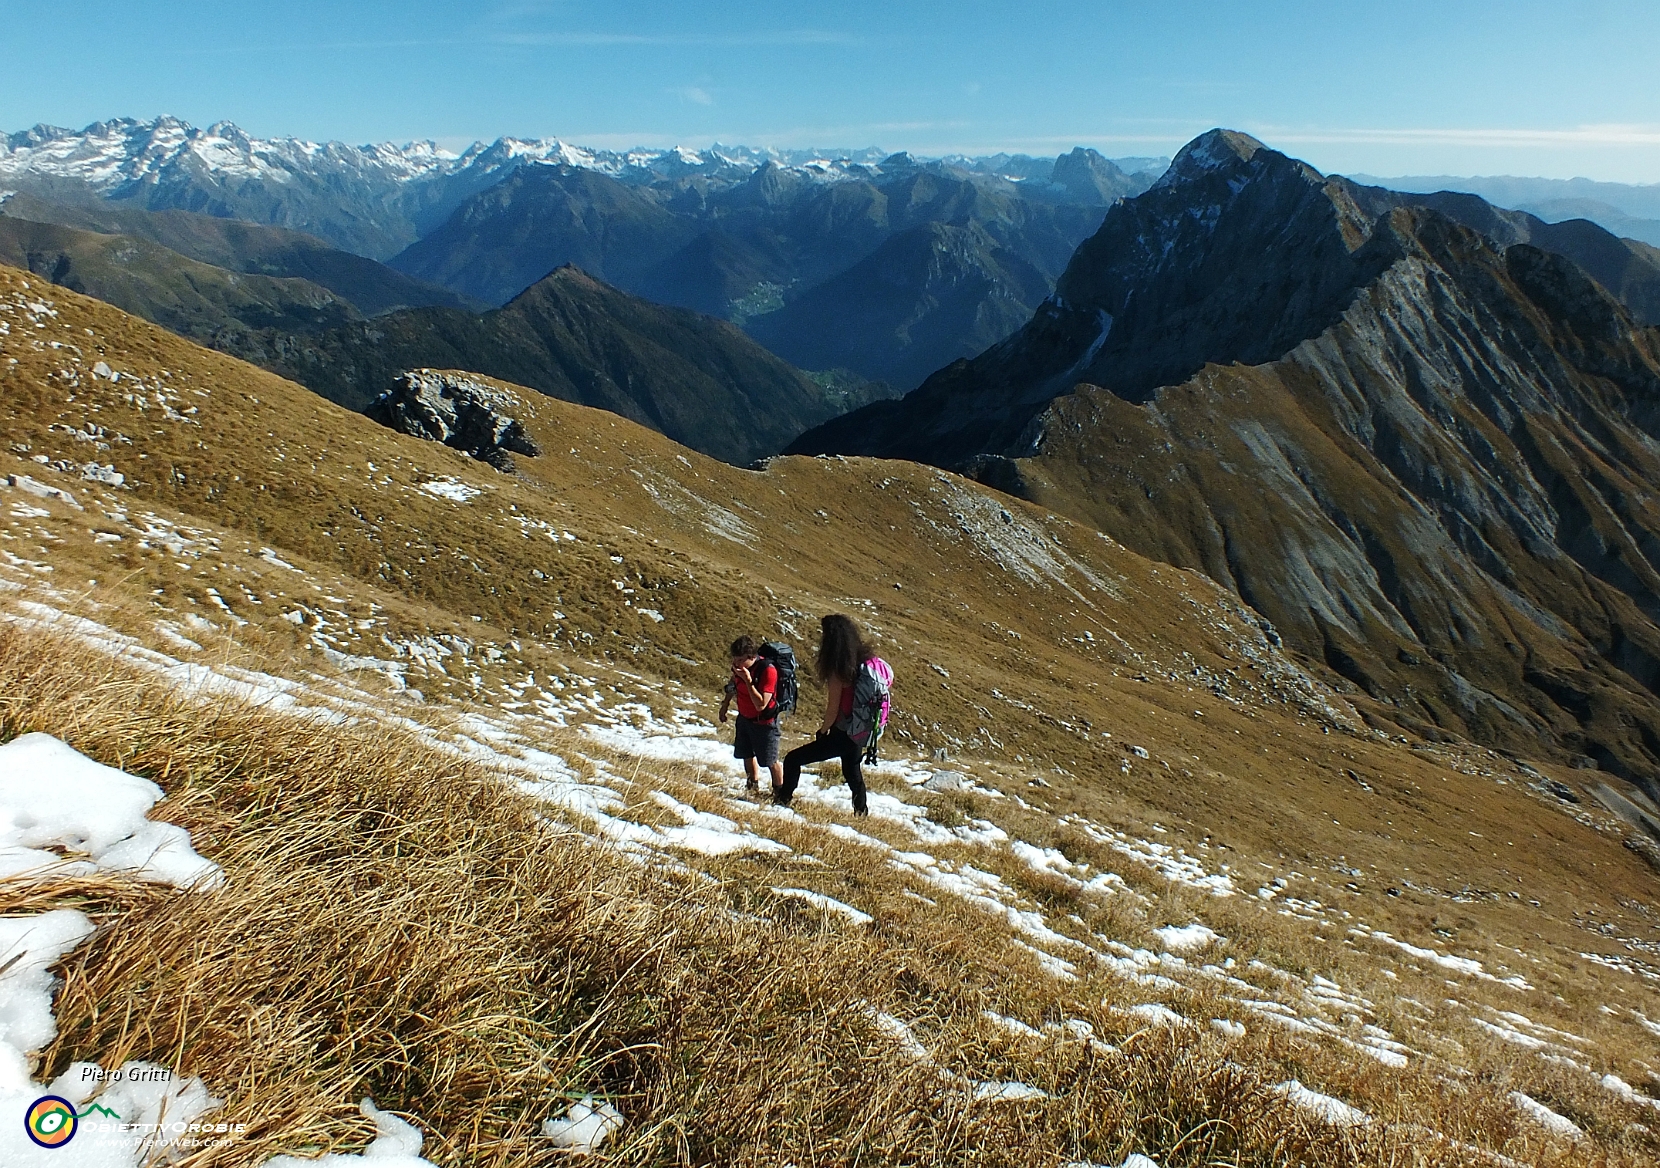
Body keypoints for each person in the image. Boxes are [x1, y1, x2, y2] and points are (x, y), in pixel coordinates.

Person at [774, 614, 872, 816]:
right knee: (853, 773)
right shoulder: (864, 662)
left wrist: (823, 730)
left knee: (793, 759)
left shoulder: (839, 669)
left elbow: (833, 708)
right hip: (860, 729)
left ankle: (782, 801)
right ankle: (861, 813)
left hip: (842, 731)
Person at [717, 635, 782, 794]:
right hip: (744, 718)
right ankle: (752, 788)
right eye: (734, 659)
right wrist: (725, 705)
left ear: (751, 657)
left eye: (740, 660)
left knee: (770, 761)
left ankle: (780, 794)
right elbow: (733, 684)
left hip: (764, 723)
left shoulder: (768, 670)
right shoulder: (738, 668)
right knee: (746, 754)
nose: (736, 664)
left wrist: (748, 680)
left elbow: (761, 705)